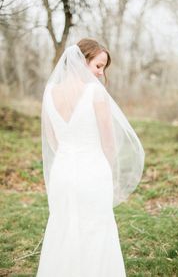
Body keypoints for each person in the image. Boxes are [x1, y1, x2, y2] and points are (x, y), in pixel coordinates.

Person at [36, 38, 145, 276]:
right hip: (92, 172)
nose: (100, 73)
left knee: (63, 228)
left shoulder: (50, 92)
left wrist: (68, 153)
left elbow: (52, 138)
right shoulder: (95, 92)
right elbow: (109, 142)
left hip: (62, 173)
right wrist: (108, 169)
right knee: (96, 230)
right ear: (81, 61)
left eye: (103, 68)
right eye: (98, 65)